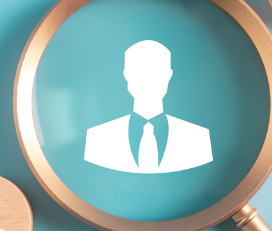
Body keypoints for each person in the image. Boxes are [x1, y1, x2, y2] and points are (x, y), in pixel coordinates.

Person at [84, 40, 212, 174]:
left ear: (168, 75)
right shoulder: (97, 139)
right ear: (126, 74)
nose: (148, 79)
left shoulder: (198, 140)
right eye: (140, 71)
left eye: (156, 71)